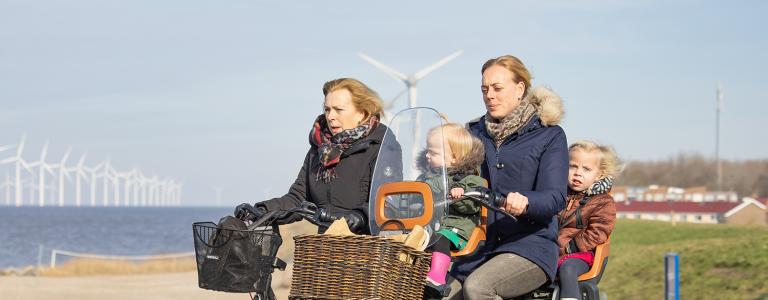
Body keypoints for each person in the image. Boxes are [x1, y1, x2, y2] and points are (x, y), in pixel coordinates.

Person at [446, 55, 568, 299]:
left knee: (479, 288)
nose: (489, 95)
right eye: (484, 89)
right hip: (478, 246)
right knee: (439, 292)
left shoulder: (549, 135)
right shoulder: (473, 133)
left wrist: (526, 201)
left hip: (529, 245)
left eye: (497, 88)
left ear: (520, 88)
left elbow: (555, 197)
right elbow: (452, 173)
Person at [234, 78, 392, 234]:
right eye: (327, 109)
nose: (330, 116)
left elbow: (387, 201)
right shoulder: (320, 150)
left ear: (362, 113)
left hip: (368, 247)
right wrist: (259, 211)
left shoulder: (382, 146)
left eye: (339, 109)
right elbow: (297, 198)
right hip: (324, 248)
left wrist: (360, 217)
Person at [416, 123, 486, 294]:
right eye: (428, 150)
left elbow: (473, 206)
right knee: (413, 239)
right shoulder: (425, 177)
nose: (427, 155)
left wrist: (462, 196)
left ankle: (437, 278)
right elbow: (418, 195)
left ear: (454, 158)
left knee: (440, 239)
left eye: (433, 152)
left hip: (458, 230)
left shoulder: (470, 180)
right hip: (434, 226)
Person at [556, 141, 620, 300]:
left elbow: (598, 233)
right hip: (550, 250)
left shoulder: (603, 202)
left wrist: (569, 247)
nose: (577, 173)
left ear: (598, 174)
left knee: (568, 268)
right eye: (573, 166)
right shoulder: (557, 193)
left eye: (586, 169)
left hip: (580, 254)